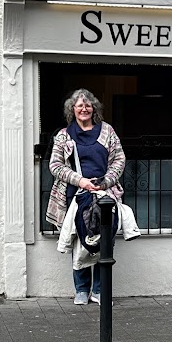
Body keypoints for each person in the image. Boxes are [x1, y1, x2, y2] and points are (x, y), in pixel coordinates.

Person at [46, 89, 126, 305]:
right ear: (72, 109)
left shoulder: (107, 131)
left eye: (88, 105)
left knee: (103, 242)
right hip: (75, 195)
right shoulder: (64, 135)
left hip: (104, 195)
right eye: (79, 105)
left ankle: (99, 290)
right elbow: (55, 165)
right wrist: (80, 181)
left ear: (94, 108)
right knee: (78, 241)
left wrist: (104, 181)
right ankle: (81, 289)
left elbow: (119, 160)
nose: (84, 108)